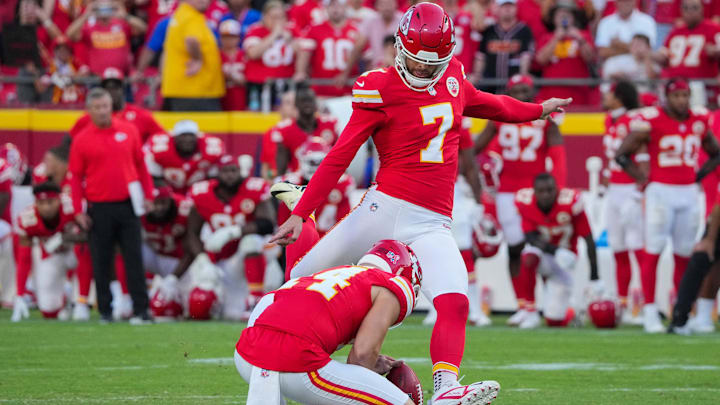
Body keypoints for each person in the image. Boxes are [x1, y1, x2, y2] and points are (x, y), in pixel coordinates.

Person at [270, 3, 570, 402]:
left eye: (434, 64)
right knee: (300, 282)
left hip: (432, 221)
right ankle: (273, 350)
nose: (426, 71)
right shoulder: (379, 85)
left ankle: (445, 389)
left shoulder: (453, 75)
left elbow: (489, 104)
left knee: (454, 299)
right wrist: (303, 210)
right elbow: (341, 152)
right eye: (418, 62)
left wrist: (535, 110)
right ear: (399, 47)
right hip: (385, 207)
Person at [234, 240, 436, 405]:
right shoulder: (395, 285)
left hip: (246, 355)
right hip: (294, 359)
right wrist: (369, 374)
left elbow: (268, 304)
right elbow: (362, 355)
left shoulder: (330, 275)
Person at [615, 78, 720, 333]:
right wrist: (643, 179)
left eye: (685, 95)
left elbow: (716, 152)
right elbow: (621, 153)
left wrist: (696, 176)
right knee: (653, 250)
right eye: (677, 96)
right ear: (666, 98)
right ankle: (650, 311)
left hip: (687, 193)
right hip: (660, 192)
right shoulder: (651, 120)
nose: (682, 100)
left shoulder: (697, 121)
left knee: (684, 254)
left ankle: (679, 312)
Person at [474, 74, 566, 326]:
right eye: (516, 91)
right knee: (515, 248)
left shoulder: (547, 122)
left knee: (533, 248)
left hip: (535, 194)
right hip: (506, 192)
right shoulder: (498, 119)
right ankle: (523, 305)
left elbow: (558, 158)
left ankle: (541, 304)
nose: (522, 95)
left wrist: (557, 188)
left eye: (525, 90)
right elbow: (474, 150)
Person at [68, 87, 154, 324]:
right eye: (97, 107)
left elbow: (140, 165)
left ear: (111, 107)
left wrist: (148, 194)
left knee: (134, 258)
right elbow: (75, 177)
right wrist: (78, 211)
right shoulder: (82, 139)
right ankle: (105, 310)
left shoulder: (129, 130)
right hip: (99, 206)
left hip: (128, 204)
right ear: (89, 110)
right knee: (101, 260)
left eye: (105, 106)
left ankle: (141, 310)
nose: (102, 111)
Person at [185, 155, 275, 319]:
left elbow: (267, 224)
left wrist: (234, 231)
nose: (230, 175)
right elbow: (191, 232)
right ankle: (222, 302)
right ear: (217, 173)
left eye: (233, 170)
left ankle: (255, 297)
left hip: (249, 257)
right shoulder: (201, 193)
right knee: (198, 309)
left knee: (251, 241)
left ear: (239, 171)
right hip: (220, 260)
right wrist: (202, 260)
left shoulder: (254, 187)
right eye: (225, 171)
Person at [514, 173, 599, 328]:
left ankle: (572, 314)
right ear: (534, 191)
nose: (546, 195)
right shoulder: (526, 203)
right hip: (545, 255)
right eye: (541, 191)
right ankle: (530, 311)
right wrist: (555, 251)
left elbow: (589, 240)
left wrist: (595, 278)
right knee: (528, 256)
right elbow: (530, 237)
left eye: (550, 190)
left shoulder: (571, 203)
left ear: (557, 190)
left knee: (554, 321)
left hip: (565, 262)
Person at [601, 80, 647, 324]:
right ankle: (623, 303)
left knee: (637, 246)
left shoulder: (634, 119)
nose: (605, 97)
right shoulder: (610, 120)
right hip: (615, 191)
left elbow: (642, 156)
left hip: (631, 189)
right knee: (618, 247)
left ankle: (645, 301)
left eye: (609, 93)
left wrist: (641, 189)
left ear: (619, 96)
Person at [11, 182, 81, 322]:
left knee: (88, 252)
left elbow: (92, 237)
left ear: (59, 199)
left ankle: (82, 300)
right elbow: (24, 258)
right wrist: (19, 294)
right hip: (50, 255)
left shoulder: (72, 206)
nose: (46, 207)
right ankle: (63, 299)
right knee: (49, 309)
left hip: (76, 251)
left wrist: (65, 238)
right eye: (41, 202)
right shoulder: (28, 218)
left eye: (50, 201)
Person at [141, 184, 195, 319]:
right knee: (130, 249)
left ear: (171, 200)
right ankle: (128, 297)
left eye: (163, 203)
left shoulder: (184, 209)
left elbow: (191, 248)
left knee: (195, 308)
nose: (159, 207)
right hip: (153, 256)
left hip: (179, 263)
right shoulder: (138, 209)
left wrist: (173, 278)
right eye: (155, 203)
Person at [70, 67, 165, 142]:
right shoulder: (90, 117)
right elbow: (69, 143)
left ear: (122, 89)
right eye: (107, 88)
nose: (111, 92)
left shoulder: (141, 115)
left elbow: (162, 137)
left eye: (115, 87)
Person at [161, 0, 225, 111]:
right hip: (195, 90)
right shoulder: (191, 16)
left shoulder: (181, 15)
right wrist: (197, 59)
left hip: (183, 90)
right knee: (206, 127)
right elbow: (191, 40)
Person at [656, 0, 720, 107]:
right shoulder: (675, 31)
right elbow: (663, 56)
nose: (690, 11)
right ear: (680, 11)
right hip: (674, 85)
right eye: (686, 8)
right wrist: (649, 55)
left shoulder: (714, 29)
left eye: (694, 8)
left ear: (702, 9)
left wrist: (715, 51)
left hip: (701, 86)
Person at [294, 0, 363, 97]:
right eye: (332, 6)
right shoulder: (314, 29)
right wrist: (301, 71)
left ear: (345, 7)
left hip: (348, 90)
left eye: (338, 5)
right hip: (321, 89)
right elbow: (305, 52)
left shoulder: (356, 29)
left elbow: (365, 57)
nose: (335, 9)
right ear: (326, 8)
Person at [534, 0, 595, 106]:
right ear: (553, 18)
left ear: (574, 17)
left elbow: (591, 58)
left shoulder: (583, 35)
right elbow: (541, 60)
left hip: (578, 93)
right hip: (551, 93)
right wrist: (556, 38)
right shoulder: (546, 37)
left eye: (567, 13)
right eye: (560, 13)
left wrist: (580, 39)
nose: (563, 16)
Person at [65, 0, 147, 76]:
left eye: (107, 8)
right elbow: (69, 34)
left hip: (122, 77)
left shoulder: (121, 25)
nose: (104, 12)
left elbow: (143, 28)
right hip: (97, 78)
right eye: (100, 9)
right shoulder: (90, 28)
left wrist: (125, 16)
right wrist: (86, 15)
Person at [243, 0, 298, 111]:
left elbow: (304, 51)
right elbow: (253, 53)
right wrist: (274, 35)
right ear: (264, 17)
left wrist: (291, 40)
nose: (277, 21)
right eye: (273, 17)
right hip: (259, 84)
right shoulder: (255, 30)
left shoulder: (291, 30)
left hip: (286, 82)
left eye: (280, 17)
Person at [144, 120, 225, 195]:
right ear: (174, 138)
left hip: (199, 195)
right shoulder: (160, 149)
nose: (187, 139)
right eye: (183, 136)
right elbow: (154, 179)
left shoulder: (211, 149)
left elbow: (214, 180)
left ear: (197, 137)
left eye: (191, 135)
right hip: (170, 196)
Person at [273, 87, 338, 176]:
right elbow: (281, 165)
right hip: (298, 181)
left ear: (315, 104)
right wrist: (280, 181)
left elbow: (339, 157)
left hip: (326, 178)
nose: (307, 104)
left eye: (310, 101)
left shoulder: (330, 124)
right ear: (296, 104)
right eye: (303, 101)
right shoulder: (284, 129)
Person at [475, 0, 533, 93]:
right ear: (498, 9)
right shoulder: (489, 30)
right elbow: (481, 56)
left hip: (515, 87)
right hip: (490, 85)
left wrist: (523, 74)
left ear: (516, 8)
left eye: (510, 6)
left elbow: (526, 56)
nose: (507, 9)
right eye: (504, 6)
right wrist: (477, 74)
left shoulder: (524, 30)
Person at [595, 0, 657, 70]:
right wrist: (635, 49)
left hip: (640, 70)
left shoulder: (647, 21)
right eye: (622, 1)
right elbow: (603, 52)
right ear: (616, 2)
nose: (625, 4)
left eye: (628, 1)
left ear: (635, 1)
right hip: (614, 70)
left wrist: (619, 45)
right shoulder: (605, 22)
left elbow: (647, 51)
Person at [260, 90, 297, 179]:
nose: (293, 106)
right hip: (278, 181)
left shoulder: (306, 131)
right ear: (280, 107)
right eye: (288, 103)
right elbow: (265, 170)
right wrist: (274, 181)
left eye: (295, 103)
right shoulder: (270, 133)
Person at [219, 19, 247, 111]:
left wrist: (231, 77)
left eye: (232, 37)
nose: (229, 40)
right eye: (225, 37)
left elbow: (250, 80)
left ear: (238, 38)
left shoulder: (244, 55)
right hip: (221, 101)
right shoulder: (216, 55)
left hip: (241, 100)